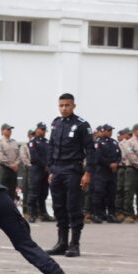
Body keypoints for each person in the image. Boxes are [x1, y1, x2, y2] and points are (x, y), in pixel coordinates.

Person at [45, 93, 95, 258]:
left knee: (73, 207)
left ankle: (74, 244)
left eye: (67, 105)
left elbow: (90, 150)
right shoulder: (56, 123)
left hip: (73, 170)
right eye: (61, 105)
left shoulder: (82, 125)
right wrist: (50, 170)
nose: (64, 108)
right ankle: (61, 243)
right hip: (57, 171)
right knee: (58, 208)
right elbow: (51, 147)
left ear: (73, 106)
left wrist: (88, 173)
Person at [90, 124, 121, 223]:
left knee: (111, 193)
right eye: (108, 130)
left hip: (112, 173)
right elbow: (98, 157)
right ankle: (97, 214)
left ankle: (111, 214)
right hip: (101, 172)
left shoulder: (114, 142)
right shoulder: (98, 142)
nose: (110, 132)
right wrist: (109, 164)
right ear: (103, 131)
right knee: (99, 193)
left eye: (111, 130)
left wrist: (116, 163)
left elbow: (119, 155)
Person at [28, 122, 52, 223]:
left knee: (44, 193)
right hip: (37, 170)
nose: (43, 131)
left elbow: (51, 155)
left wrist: (49, 166)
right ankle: (32, 214)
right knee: (34, 193)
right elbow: (34, 157)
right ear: (37, 129)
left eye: (44, 130)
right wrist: (44, 165)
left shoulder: (47, 142)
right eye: (41, 129)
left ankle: (43, 214)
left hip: (46, 171)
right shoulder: (33, 142)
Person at [0, 123, 20, 202]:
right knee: (3, 191)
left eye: (10, 129)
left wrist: (16, 163)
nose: (10, 131)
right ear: (2, 131)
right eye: (8, 129)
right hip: (4, 170)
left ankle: (11, 211)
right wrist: (11, 165)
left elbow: (18, 155)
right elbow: (0, 157)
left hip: (13, 170)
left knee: (12, 192)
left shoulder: (14, 142)